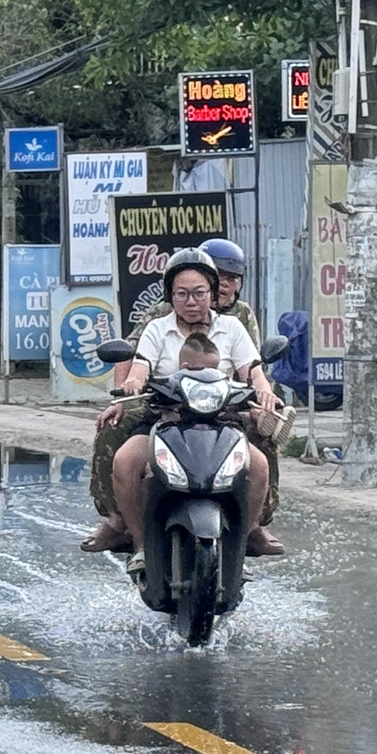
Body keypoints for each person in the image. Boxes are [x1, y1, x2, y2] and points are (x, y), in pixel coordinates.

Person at [87, 249, 280, 558]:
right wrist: (133, 383)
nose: (191, 302)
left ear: (212, 293)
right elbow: (139, 366)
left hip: (223, 422)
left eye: (199, 293)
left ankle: (246, 536)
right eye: (182, 294)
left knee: (259, 466)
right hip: (164, 420)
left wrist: (264, 391)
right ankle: (138, 542)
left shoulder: (232, 327)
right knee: (124, 461)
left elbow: (253, 370)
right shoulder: (157, 328)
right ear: (170, 296)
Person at [199, 235, 282, 539]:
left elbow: (253, 365)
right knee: (118, 426)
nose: (225, 284)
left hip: (231, 401)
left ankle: (256, 522)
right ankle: (119, 520)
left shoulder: (241, 316)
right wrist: (122, 395)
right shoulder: (170, 309)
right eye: (219, 276)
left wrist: (264, 395)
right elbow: (135, 355)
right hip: (174, 398)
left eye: (232, 278)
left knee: (268, 428)